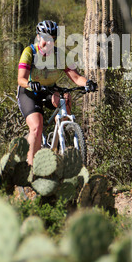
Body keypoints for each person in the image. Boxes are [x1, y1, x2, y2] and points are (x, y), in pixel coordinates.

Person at [17, 20, 97, 165]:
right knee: (36, 126)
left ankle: (61, 135)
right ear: (38, 37)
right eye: (46, 39)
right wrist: (30, 83)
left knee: (65, 98)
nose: (49, 43)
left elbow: (76, 77)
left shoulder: (60, 55)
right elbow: (21, 79)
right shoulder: (30, 52)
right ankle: (30, 169)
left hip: (48, 90)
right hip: (29, 92)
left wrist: (88, 83)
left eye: (53, 39)